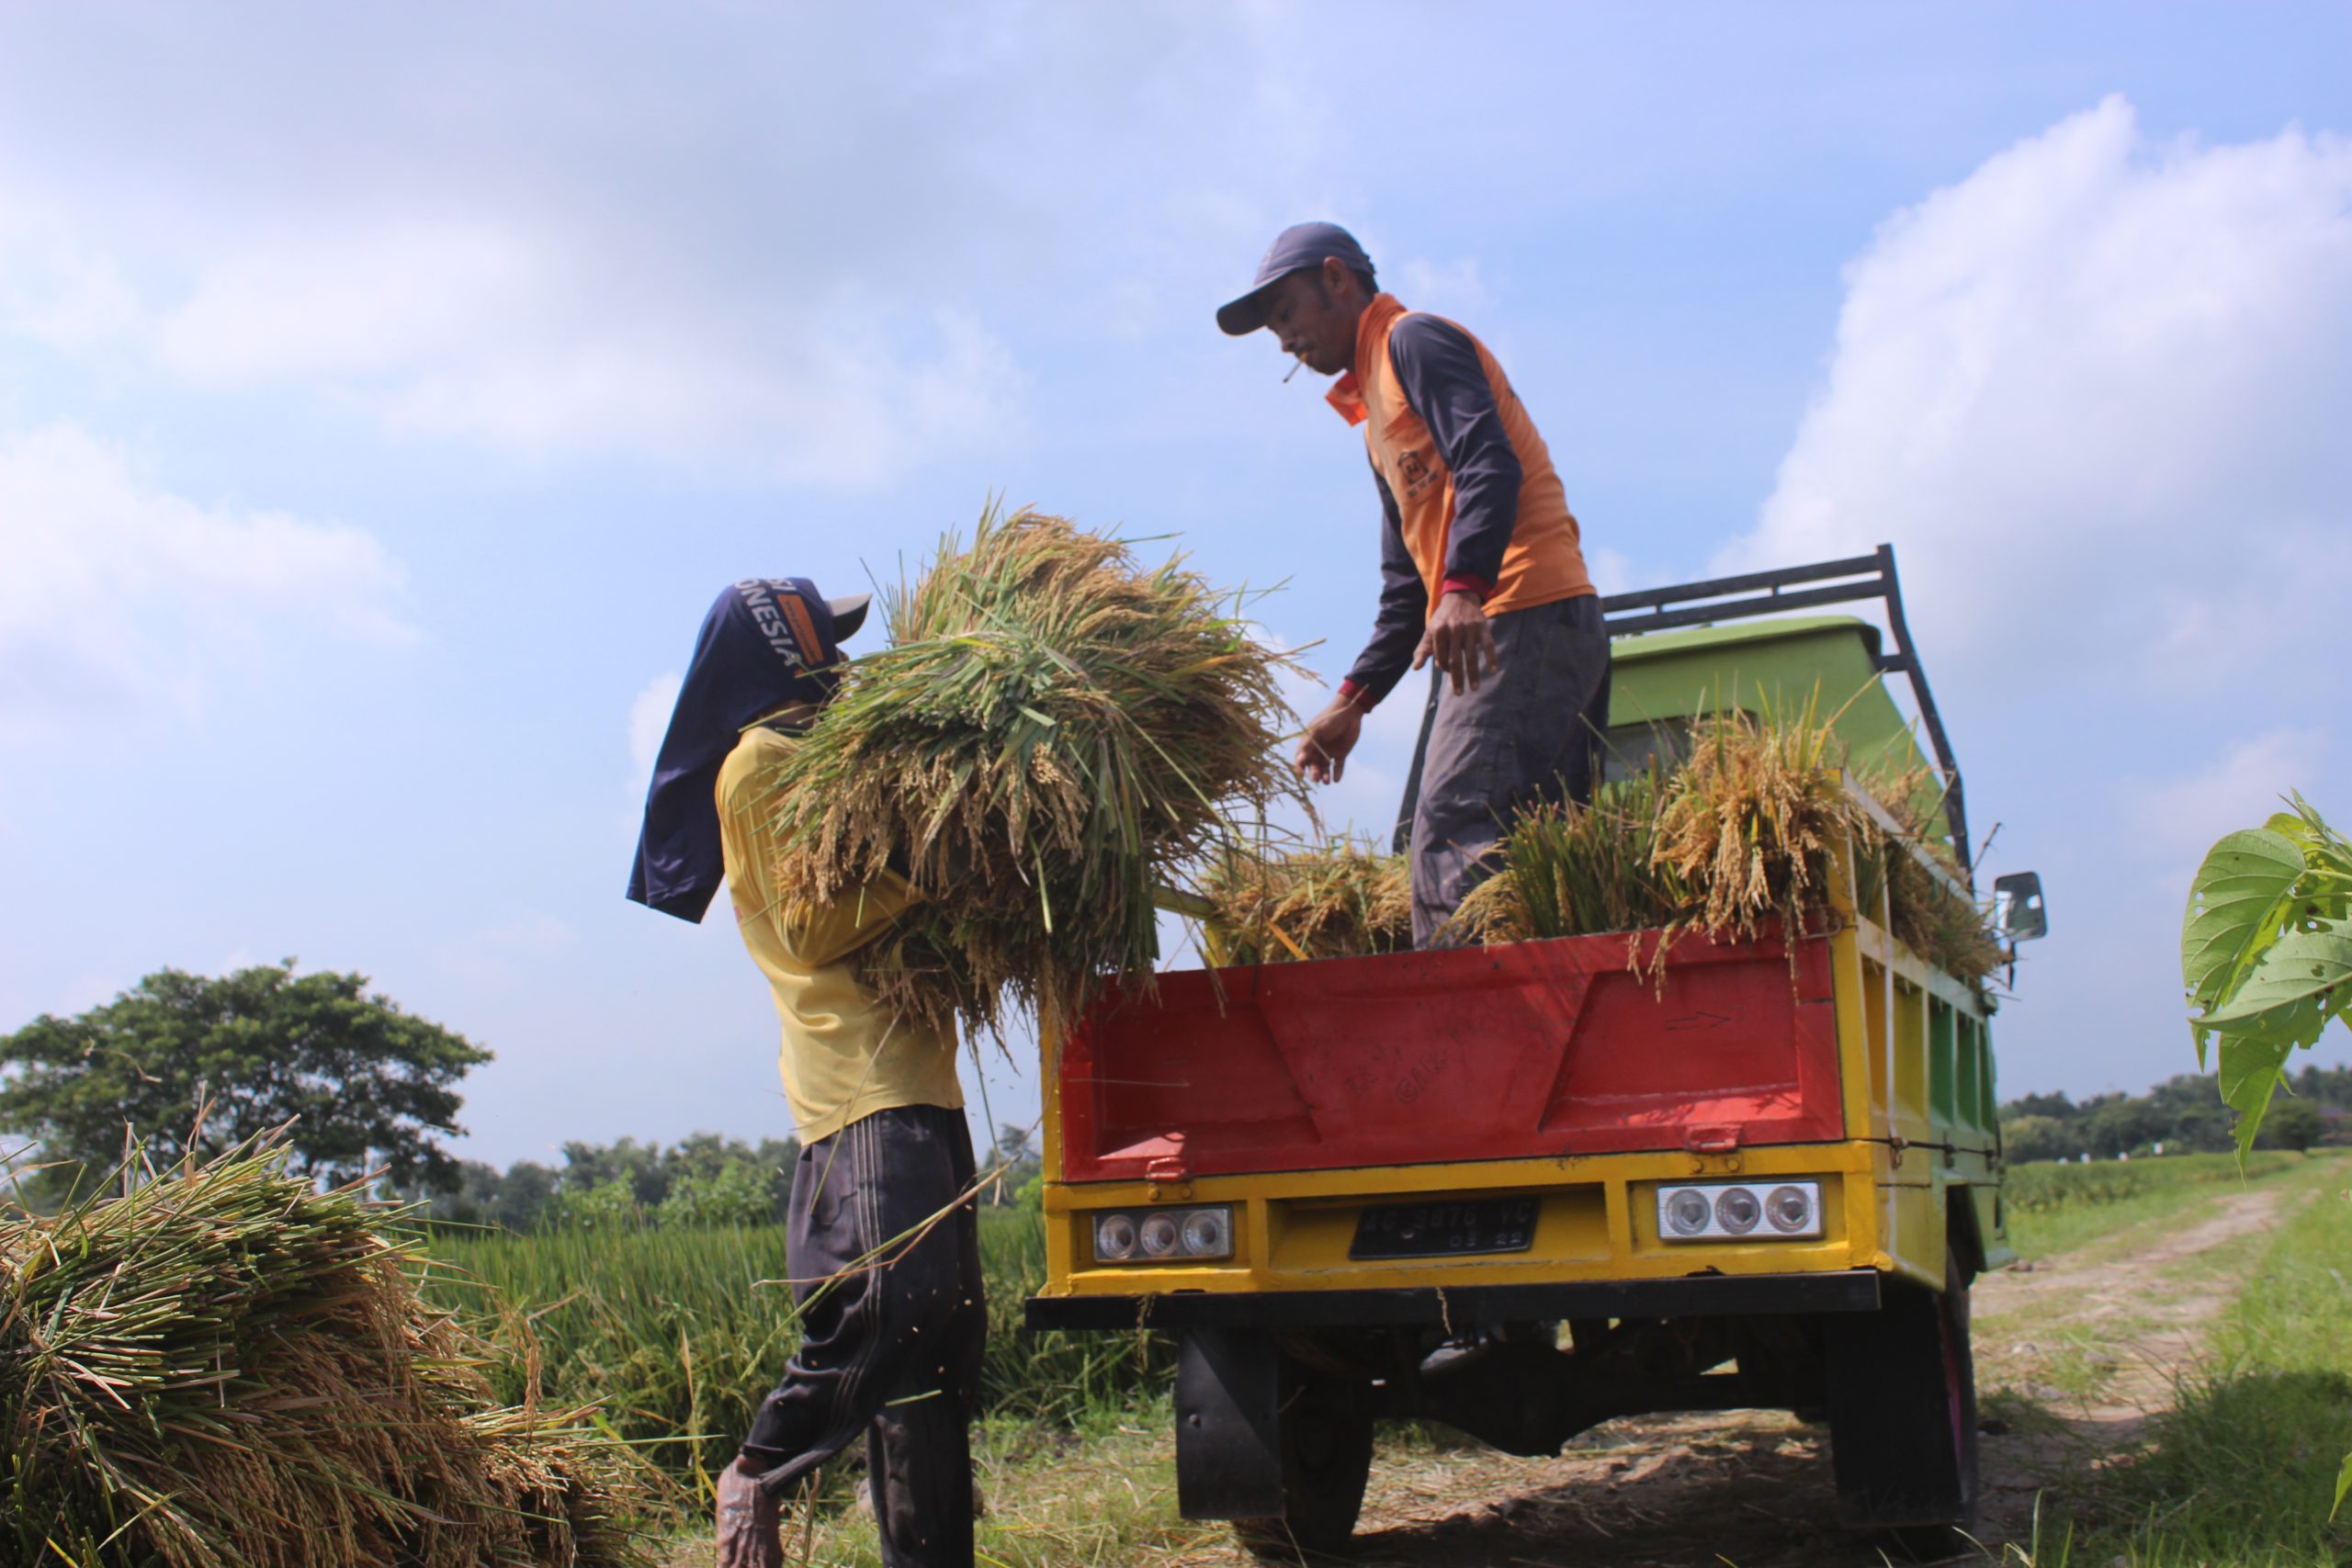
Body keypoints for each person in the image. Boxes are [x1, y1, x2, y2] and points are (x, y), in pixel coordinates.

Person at [628, 578, 983, 1568]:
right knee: (891, 1308)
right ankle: (757, 1469)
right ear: (785, 660)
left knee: (938, 1353)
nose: (843, 665)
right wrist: (934, 865)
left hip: (921, 1080)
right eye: (826, 646)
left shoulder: (834, 764)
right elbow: (813, 923)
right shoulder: (759, 767)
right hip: (856, 1091)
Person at [1218, 221, 1612, 946]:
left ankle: (1470, 1042)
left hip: (1516, 612)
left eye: (1285, 314)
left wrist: (1464, 589)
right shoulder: (1375, 419)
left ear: (1337, 278)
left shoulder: (1413, 342)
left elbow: (1490, 461)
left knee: (1450, 834)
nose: (1282, 340)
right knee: (1545, 855)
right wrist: (1353, 700)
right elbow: (1408, 588)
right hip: (1535, 622)